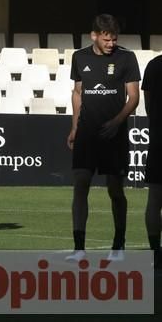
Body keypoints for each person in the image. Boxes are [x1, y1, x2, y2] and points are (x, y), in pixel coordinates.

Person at [66, 14, 140, 262]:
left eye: (114, 39)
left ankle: (118, 245)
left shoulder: (127, 58)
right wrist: (74, 127)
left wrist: (117, 122)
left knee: (115, 190)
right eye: (107, 39)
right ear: (94, 36)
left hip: (114, 136)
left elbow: (134, 97)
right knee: (80, 186)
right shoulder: (80, 57)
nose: (111, 44)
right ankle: (79, 248)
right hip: (86, 134)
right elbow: (77, 93)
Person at [142, 54, 162, 269]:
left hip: (158, 139)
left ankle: (155, 250)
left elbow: (147, 103)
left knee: (155, 198)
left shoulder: (154, 65)